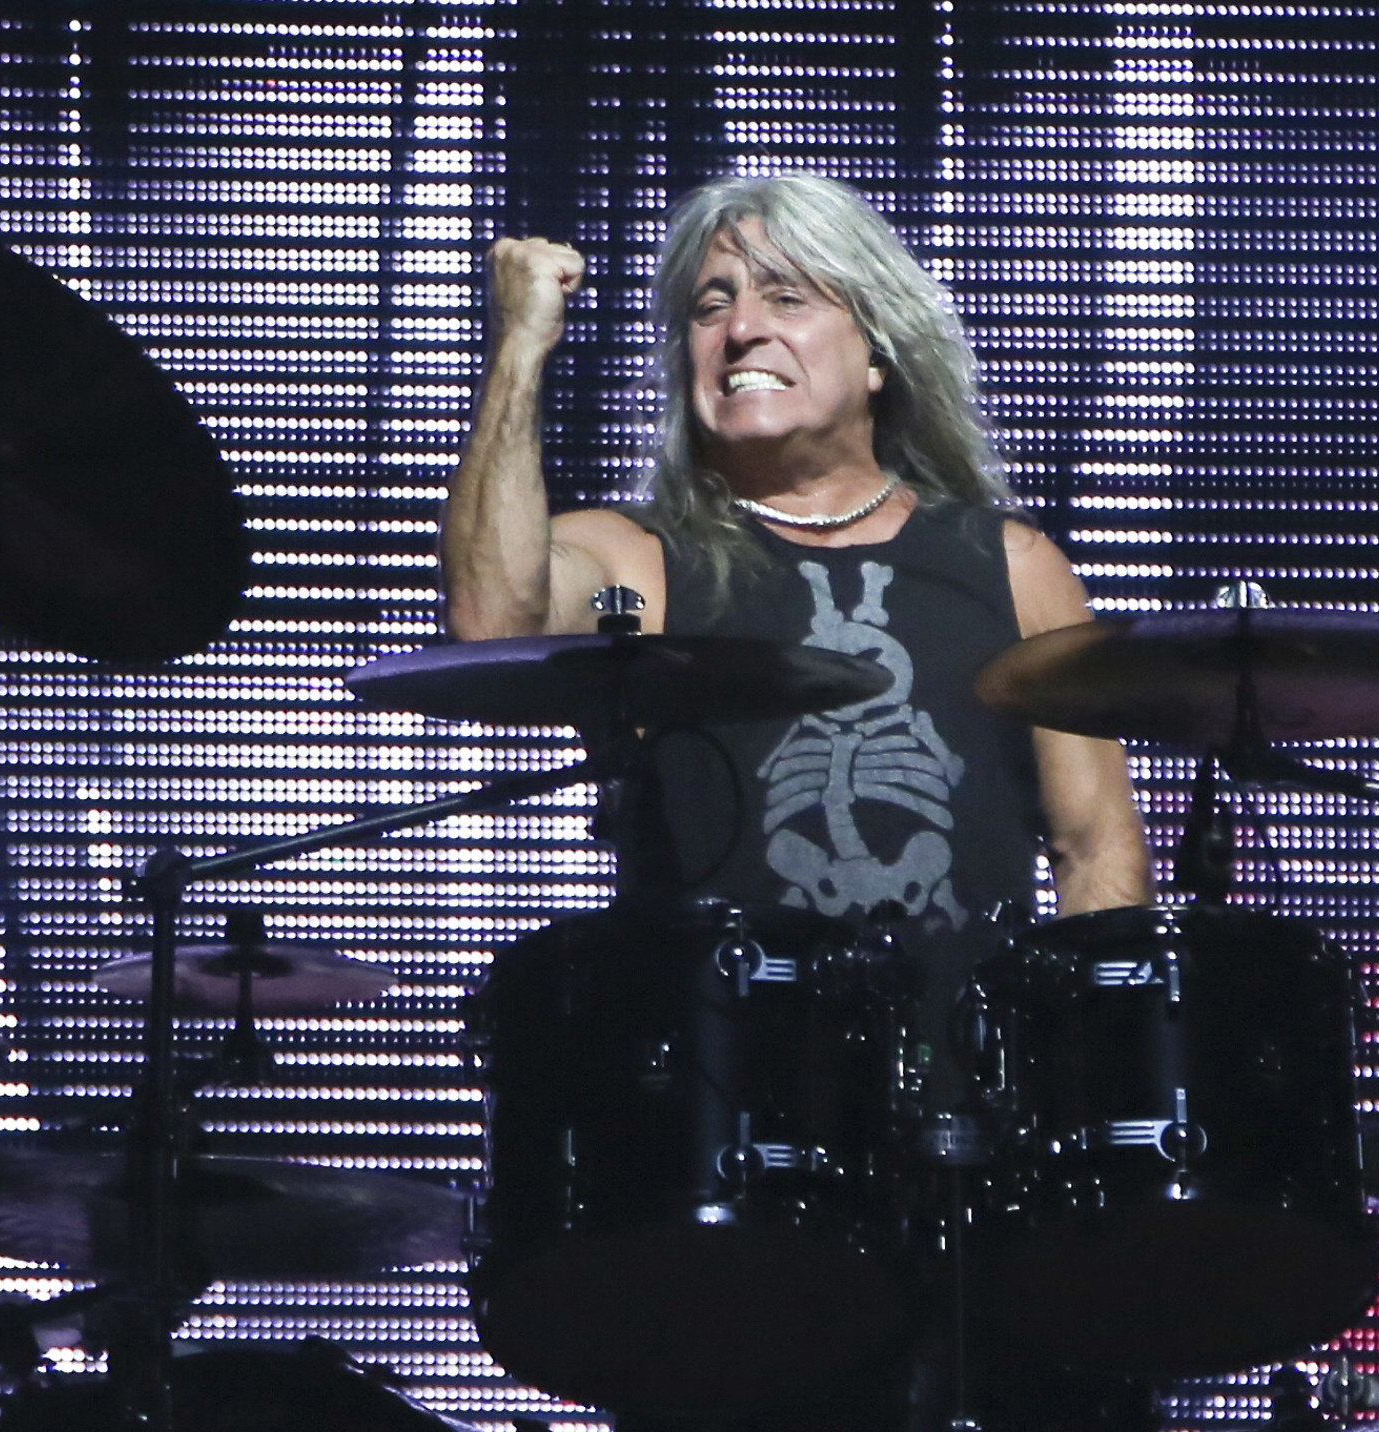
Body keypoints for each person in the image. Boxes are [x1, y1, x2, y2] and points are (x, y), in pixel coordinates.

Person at [443, 174, 1151, 993]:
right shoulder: (636, 559)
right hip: (717, 1056)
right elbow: (493, 620)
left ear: (878, 352)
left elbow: (1096, 847)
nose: (742, 329)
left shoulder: (1014, 566)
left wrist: (1093, 1044)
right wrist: (521, 345)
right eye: (711, 308)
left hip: (966, 1064)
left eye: (787, 298)